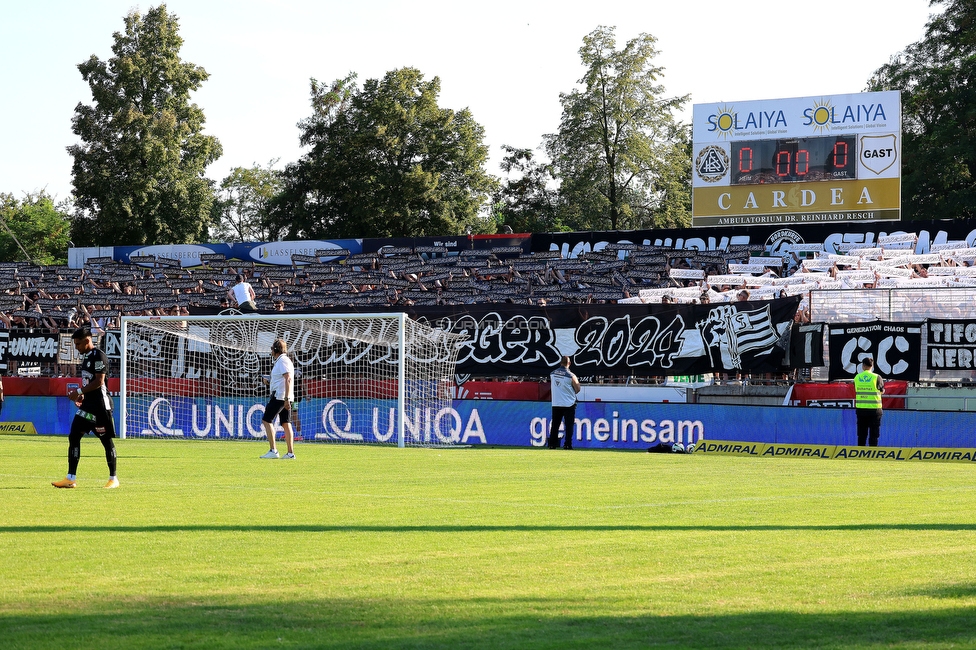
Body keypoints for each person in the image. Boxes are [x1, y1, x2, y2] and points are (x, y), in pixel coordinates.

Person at [52, 327, 119, 488]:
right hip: (88, 406)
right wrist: (82, 396)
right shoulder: (87, 357)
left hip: (101, 407)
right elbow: (89, 382)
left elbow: (99, 382)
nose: (76, 347)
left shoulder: (99, 356)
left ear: (87, 341)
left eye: (78, 344)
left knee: (106, 441)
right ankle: (70, 478)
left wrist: (79, 391)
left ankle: (113, 479)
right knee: (74, 435)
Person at [260, 338, 296, 459]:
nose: (270, 351)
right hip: (284, 395)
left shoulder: (282, 361)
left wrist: (286, 398)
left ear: (276, 349)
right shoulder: (282, 361)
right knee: (286, 423)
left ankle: (273, 450)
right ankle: (290, 453)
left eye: (271, 348)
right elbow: (282, 380)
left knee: (266, 420)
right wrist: (268, 381)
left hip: (280, 396)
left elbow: (288, 379)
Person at [548, 355, 581, 450]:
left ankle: (552, 444)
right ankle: (567, 444)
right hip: (569, 403)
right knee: (569, 425)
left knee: (555, 425)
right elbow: (578, 389)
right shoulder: (571, 376)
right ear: (569, 363)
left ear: (560, 363)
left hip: (556, 403)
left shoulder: (552, 374)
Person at [854, 356, 885, 446]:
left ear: (863, 366)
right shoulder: (876, 377)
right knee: (874, 435)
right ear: (872, 366)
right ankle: (872, 454)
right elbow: (881, 390)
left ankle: (860, 454)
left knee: (861, 435)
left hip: (861, 410)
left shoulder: (857, 377)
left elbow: (856, 389)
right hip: (874, 410)